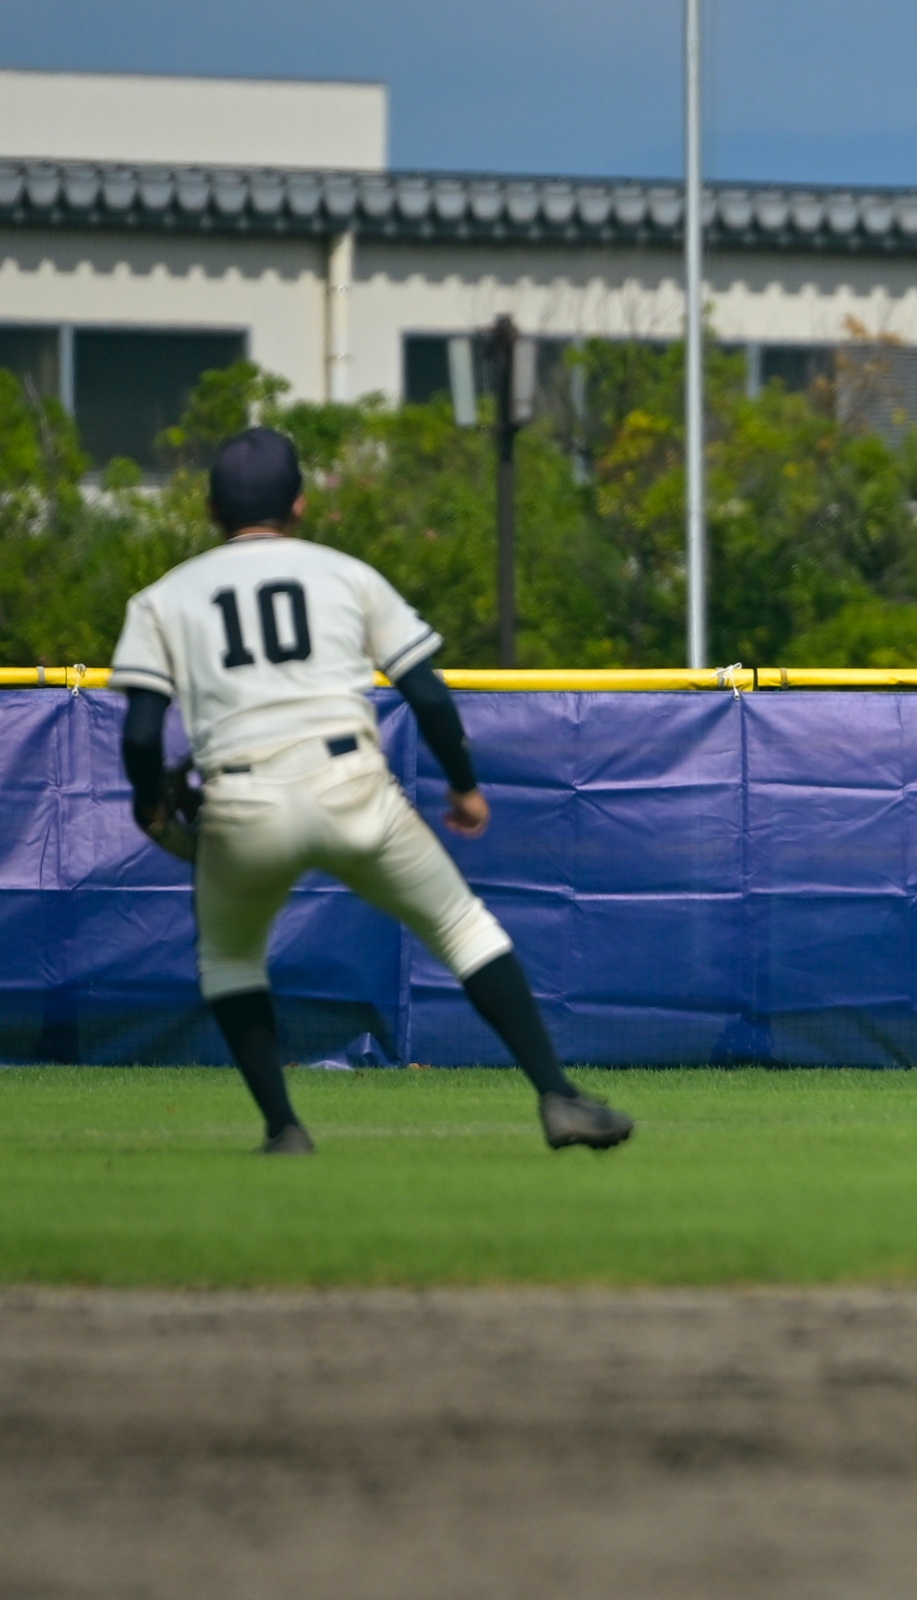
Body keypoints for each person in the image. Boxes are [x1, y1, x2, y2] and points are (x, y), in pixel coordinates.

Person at [109, 426, 634, 1152]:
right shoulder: (345, 574)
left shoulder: (162, 598)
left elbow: (140, 735)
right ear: (300, 505)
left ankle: (284, 1128)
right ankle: (558, 1096)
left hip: (242, 799)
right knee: (462, 927)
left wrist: (148, 804)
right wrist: (465, 787)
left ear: (210, 510)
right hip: (349, 785)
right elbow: (427, 693)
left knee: (230, 960)